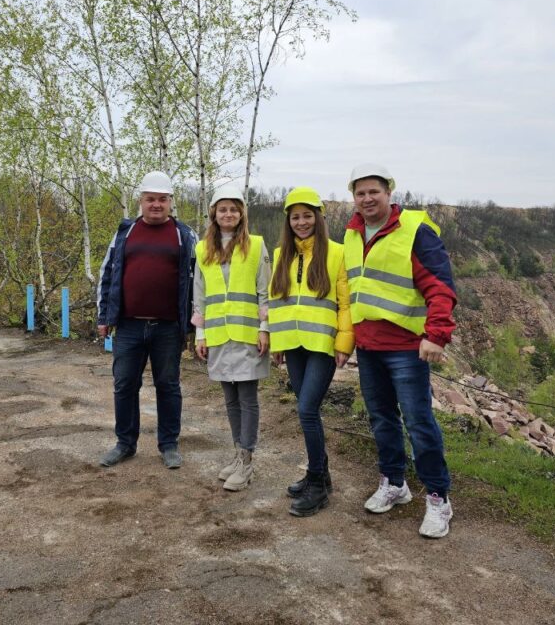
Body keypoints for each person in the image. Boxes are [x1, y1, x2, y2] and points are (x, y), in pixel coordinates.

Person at [344, 163, 457, 539]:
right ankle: (394, 483)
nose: (367, 199)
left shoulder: (415, 230)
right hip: (368, 346)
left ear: (389, 192)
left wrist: (436, 335)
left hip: (407, 348)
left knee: (419, 422)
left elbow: (440, 286)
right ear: (354, 197)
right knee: (382, 419)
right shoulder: (352, 232)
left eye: (373, 191)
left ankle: (438, 499)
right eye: (360, 193)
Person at [96, 171, 197, 469]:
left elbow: (198, 282)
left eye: (162, 199)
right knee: (125, 385)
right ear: (140, 200)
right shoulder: (125, 233)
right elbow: (107, 274)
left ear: (170, 202)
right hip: (129, 325)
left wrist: (195, 325)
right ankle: (125, 444)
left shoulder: (185, 235)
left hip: (168, 328)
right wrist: (104, 316)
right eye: (150, 199)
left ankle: (169, 445)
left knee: (168, 386)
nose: (156, 204)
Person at [268, 187, 353, 517]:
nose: (301, 222)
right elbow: (277, 302)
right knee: (308, 411)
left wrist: (343, 342)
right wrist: (278, 342)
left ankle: (317, 484)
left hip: (322, 344)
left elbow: (345, 303)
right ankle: (321, 475)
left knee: (306, 409)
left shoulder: (337, 252)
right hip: (293, 344)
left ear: (318, 218)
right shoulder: (281, 254)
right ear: (288, 221)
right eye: (295, 217)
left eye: (307, 216)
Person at [192, 183, 271, 491]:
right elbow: (200, 296)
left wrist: (264, 328)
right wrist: (200, 334)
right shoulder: (202, 249)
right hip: (218, 335)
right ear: (214, 213)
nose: (228, 214)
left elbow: (265, 291)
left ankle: (247, 460)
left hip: (248, 335)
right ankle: (238, 454)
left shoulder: (257, 245)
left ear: (242, 214)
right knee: (230, 399)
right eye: (223, 209)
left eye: (234, 209)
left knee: (247, 399)